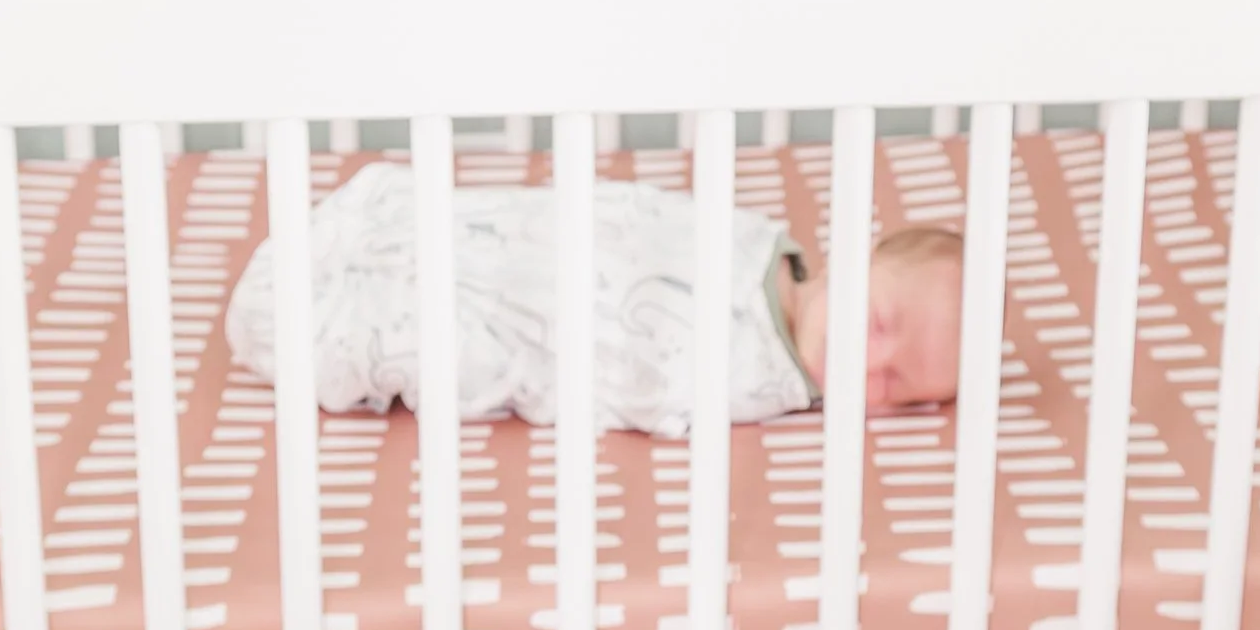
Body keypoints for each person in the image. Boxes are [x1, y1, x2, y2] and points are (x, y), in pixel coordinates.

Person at [223, 160, 965, 437]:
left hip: (535, 329)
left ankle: (335, 307)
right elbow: (640, 215)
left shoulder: (765, 383)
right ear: (856, 257)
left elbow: (646, 383)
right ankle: (378, 239)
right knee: (460, 227)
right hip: (547, 240)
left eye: (895, 389)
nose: (869, 366)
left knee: (436, 332)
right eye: (878, 325)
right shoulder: (764, 243)